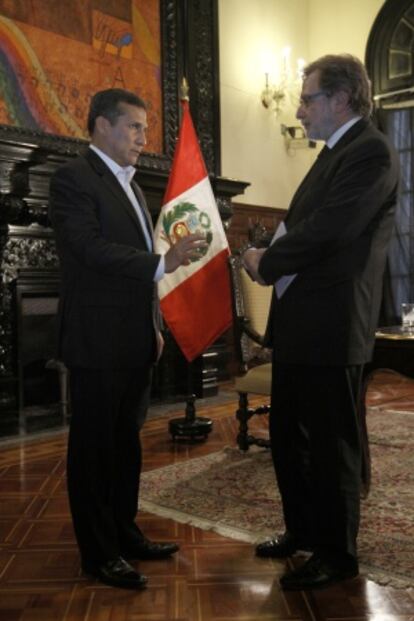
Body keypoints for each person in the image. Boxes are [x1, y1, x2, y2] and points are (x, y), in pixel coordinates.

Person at [243, 54, 399, 591]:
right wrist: (267, 248)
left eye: (307, 99)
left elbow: (332, 230)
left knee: (332, 445)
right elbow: (301, 225)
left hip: (334, 322)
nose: (300, 110)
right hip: (302, 322)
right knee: (290, 436)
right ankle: (303, 531)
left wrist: (269, 262)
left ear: (340, 99)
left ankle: (338, 553)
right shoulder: (333, 153)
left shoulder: (370, 151)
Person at [49, 88, 206, 590]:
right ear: (101, 126)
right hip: (96, 341)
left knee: (126, 446)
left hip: (135, 338)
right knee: (94, 450)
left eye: (144, 128)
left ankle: (125, 532)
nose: (144, 138)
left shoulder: (134, 187)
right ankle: (98, 554)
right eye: (134, 127)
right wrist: (164, 262)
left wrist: (154, 325)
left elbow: (139, 271)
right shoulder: (73, 179)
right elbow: (89, 250)